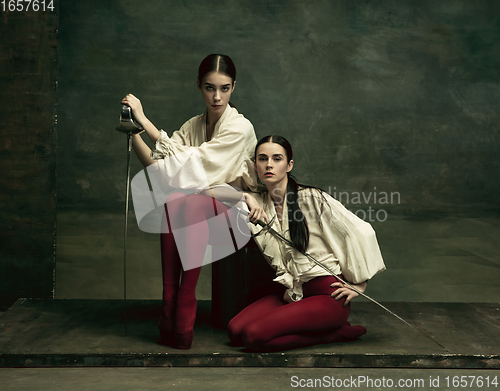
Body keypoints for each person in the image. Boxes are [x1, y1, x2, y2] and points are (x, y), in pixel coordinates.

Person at [121, 54, 266, 349]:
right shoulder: (193, 126)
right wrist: (133, 131)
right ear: (199, 86)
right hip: (198, 209)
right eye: (210, 88)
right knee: (177, 198)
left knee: (184, 200)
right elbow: (161, 167)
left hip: (240, 207)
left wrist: (145, 119)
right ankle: (171, 299)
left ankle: (183, 300)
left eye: (224, 88)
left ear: (234, 87)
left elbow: (193, 163)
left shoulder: (240, 128)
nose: (217, 97)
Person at [228, 135, 386, 352]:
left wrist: (360, 284)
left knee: (253, 336)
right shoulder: (259, 202)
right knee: (235, 331)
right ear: (255, 165)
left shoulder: (313, 198)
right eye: (263, 159)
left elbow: (361, 231)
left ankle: (334, 333)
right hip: (293, 293)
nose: (269, 165)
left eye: (277, 158)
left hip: (327, 296)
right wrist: (245, 195)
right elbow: (208, 189)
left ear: (289, 164)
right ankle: (324, 331)